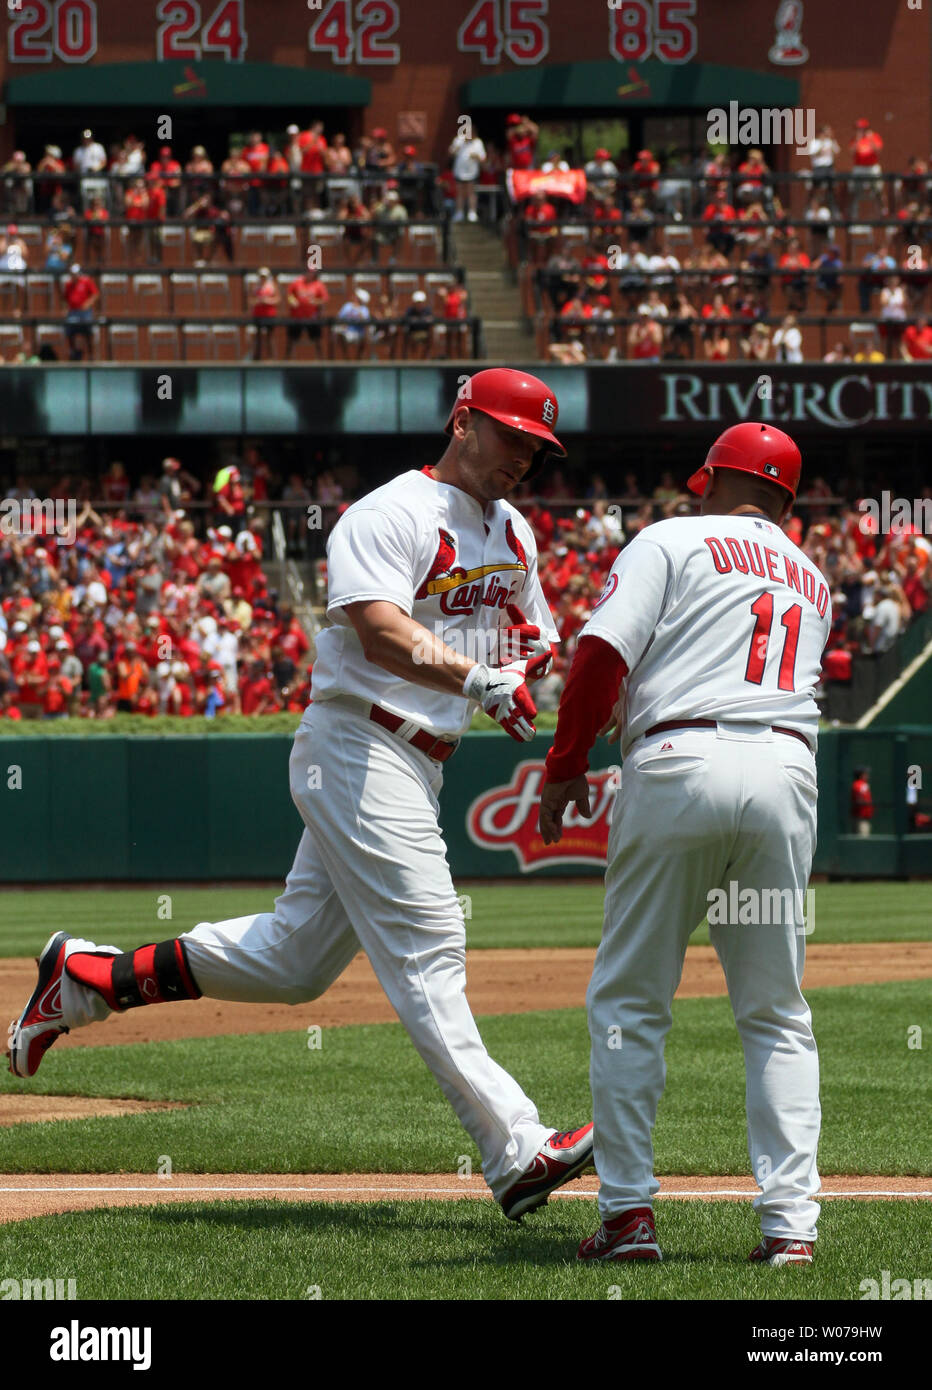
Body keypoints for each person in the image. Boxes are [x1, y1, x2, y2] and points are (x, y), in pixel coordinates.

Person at [8, 367, 594, 1227]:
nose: (525, 460)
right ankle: (514, 1149)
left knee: (292, 963)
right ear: (463, 423)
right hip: (357, 742)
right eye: (513, 438)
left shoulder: (512, 531)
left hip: (419, 761)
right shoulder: (390, 513)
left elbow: (529, 628)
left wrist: (528, 656)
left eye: (538, 449)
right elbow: (379, 628)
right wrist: (478, 676)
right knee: (430, 940)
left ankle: (88, 976)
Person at [539, 421, 829, 1265]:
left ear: (710, 481)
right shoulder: (811, 574)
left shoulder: (668, 537)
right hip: (785, 770)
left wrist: (565, 764)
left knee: (631, 1002)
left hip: (678, 763)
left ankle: (629, 1216)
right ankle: (790, 1229)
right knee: (776, 1013)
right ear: (786, 498)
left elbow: (599, 655)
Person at [449, 123, 486, 222]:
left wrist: (476, 156)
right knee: (459, 193)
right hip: (459, 172)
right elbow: (451, 153)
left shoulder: (478, 142)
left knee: (471, 193)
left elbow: (483, 158)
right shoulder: (458, 140)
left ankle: (472, 213)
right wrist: (460, 144)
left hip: (472, 172)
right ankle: (459, 213)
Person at [61, 262, 98, 361]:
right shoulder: (68, 284)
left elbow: (95, 294)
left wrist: (87, 304)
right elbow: (65, 299)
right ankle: (73, 352)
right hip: (73, 312)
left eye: (75, 273)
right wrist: (65, 309)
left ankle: (91, 355)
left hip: (84, 313)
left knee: (88, 332)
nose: (74, 275)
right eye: (72, 274)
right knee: (70, 331)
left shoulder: (86, 281)